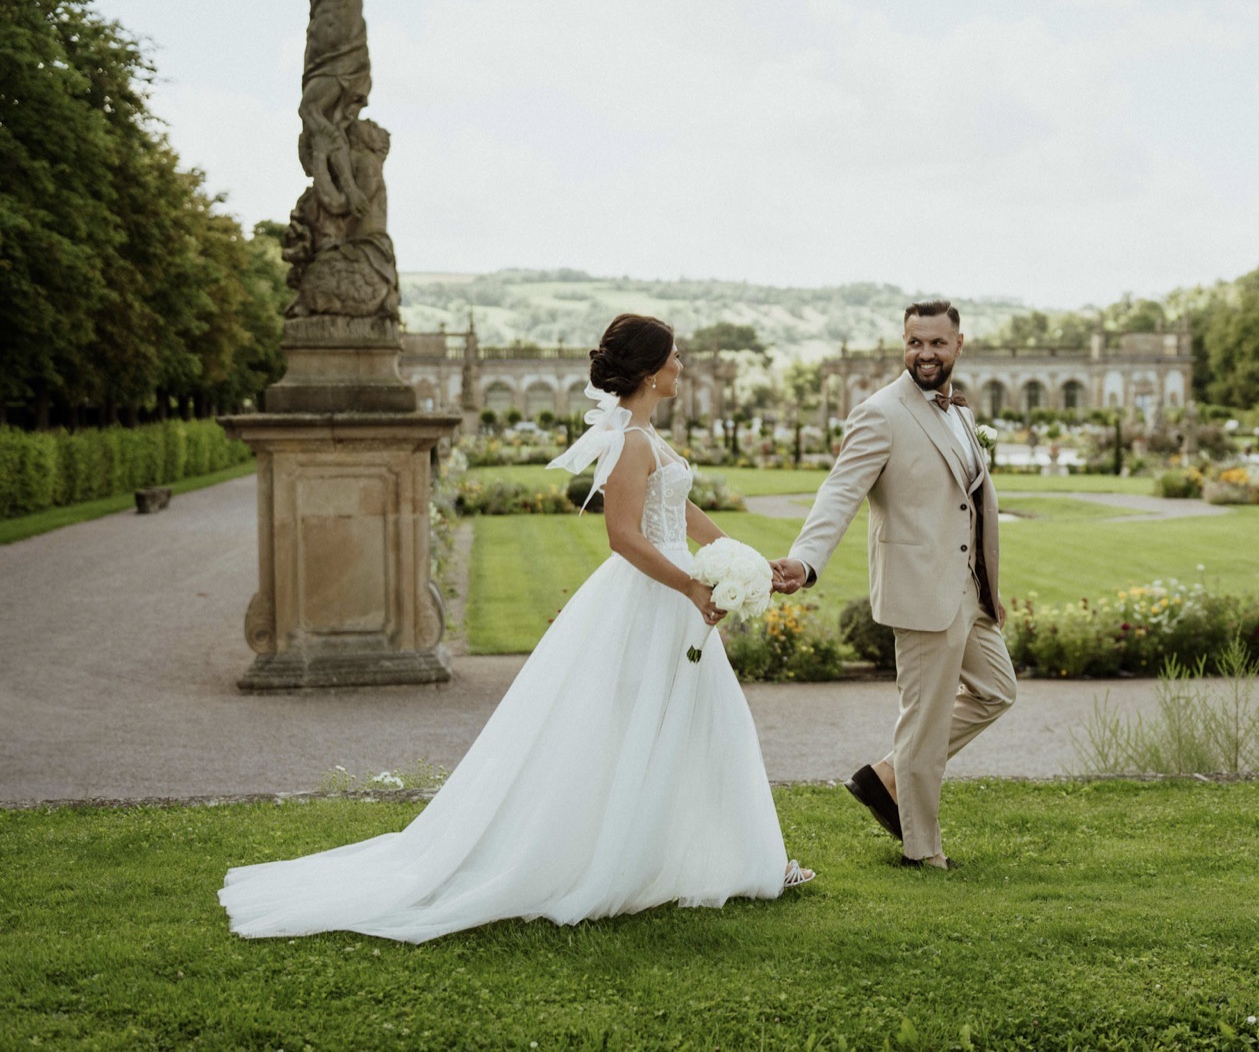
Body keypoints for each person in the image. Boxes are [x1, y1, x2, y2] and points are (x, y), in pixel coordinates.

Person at [219, 314, 812, 943]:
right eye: (674, 357)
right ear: (648, 371)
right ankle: (697, 860)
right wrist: (692, 586)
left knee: (695, 723)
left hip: (673, 600)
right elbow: (624, 538)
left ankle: (726, 858)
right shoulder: (633, 443)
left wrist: (750, 562)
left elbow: (685, 512)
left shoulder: (647, 437)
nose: (682, 365)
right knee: (652, 725)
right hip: (652, 600)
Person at [771, 300, 1016, 870]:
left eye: (935, 343)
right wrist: (806, 561)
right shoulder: (881, 413)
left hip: (968, 589)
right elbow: (840, 492)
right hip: (920, 591)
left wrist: (990, 584)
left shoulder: (956, 411)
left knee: (998, 691)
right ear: (903, 345)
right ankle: (922, 849)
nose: (924, 354)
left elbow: (970, 502)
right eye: (914, 343)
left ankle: (885, 776)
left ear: (958, 345)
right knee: (924, 723)